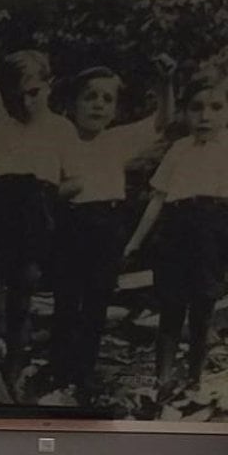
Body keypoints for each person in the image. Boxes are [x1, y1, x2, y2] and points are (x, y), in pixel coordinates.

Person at [50, 61, 171, 400]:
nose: (98, 105)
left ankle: (84, 373)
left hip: (107, 227)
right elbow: (46, 187)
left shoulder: (119, 139)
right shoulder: (60, 136)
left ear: (115, 109)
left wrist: (165, 84)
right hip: (71, 225)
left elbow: (162, 122)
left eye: (107, 99)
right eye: (90, 97)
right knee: (66, 300)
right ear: (71, 105)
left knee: (96, 302)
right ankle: (61, 370)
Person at [0, 36, 74, 401]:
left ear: (49, 86)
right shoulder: (0, 118)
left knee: (23, 296)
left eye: (34, 92)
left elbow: (75, 179)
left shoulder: (61, 128)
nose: (26, 101)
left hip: (35, 212)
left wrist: (43, 198)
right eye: (18, 94)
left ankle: (15, 368)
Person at [123, 64, 228, 404]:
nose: (205, 116)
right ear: (184, 112)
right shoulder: (178, 149)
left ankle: (194, 380)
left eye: (215, 108)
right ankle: (163, 379)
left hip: (212, 234)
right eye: (196, 108)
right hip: (175, 234)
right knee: (170, 309)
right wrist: (134, 242)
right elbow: (157, 200)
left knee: (202, 312)